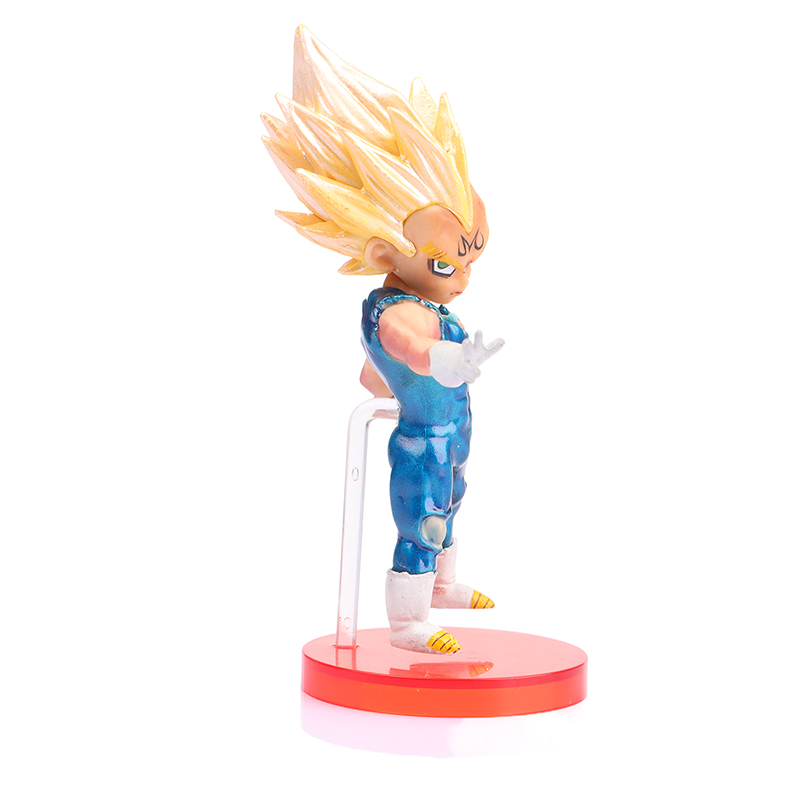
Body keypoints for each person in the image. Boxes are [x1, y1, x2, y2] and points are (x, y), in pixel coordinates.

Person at [262, 27, 503, 654]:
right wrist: (441, 358)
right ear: (382, 255)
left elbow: (374, 373)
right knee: (423, 520)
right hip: (423, 435)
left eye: (471, 257)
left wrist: (384, 383)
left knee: (452, 502)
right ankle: (407, 622)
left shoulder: (428, 302)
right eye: (449, 263)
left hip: (450, 430)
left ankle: (442, 587)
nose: (463, 277)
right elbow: (402, 344)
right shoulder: (394, 308)